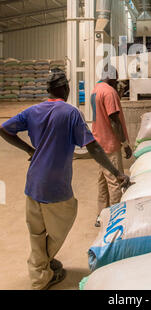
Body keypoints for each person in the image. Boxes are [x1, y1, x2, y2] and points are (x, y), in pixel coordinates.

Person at [0, 70, 131, 291]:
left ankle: (43, 267)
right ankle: (41, 274)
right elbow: (94, 148)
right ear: (66, 89)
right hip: (55, 185)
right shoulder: (71, 113)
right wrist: (117, 173)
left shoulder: (33, 111)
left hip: (32, 182)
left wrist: (30, 150)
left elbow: (4, 129)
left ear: (49, 90)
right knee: (64, 219)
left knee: (37, 231)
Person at [90, 65, 132, 228]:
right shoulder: (109, 92)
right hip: (109, 143)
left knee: (102, 182)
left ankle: (101, 216)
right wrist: (125, 144)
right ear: (113, 76)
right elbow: (114, 121)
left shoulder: (96, 90)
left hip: (98, 144)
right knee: (116, 182)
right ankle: (114, 220)